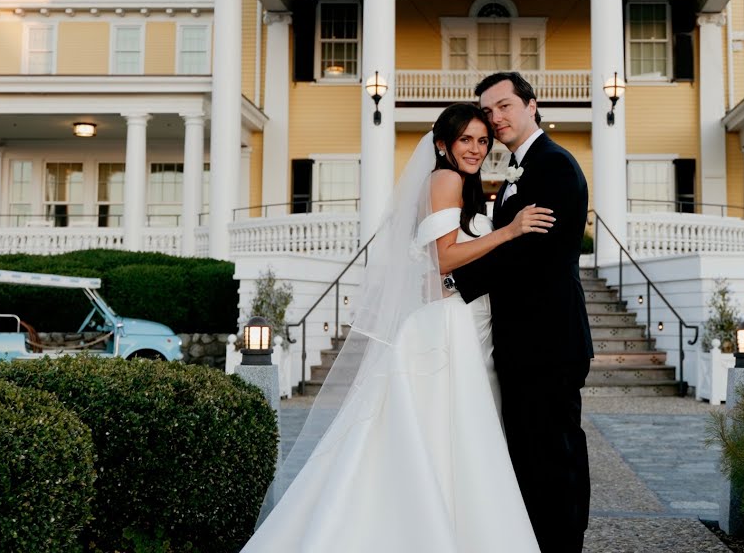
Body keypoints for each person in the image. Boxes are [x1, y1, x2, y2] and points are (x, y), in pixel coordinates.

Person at [241, 102, 553, 553]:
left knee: (445, 431)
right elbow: (443, 257)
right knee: (447, 429)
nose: (476, 149)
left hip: (462, 320)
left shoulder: (459, 185)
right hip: (445, 329)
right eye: (465, 139)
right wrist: (509, 232)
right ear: (443, 144)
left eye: (483, 141)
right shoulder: (445, 179)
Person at [450, 71, 593, 553]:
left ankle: (562, 544)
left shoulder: (552, 165)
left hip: (548, 339)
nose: (496, 118)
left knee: (555, 454)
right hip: (521, 341)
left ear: (532, 106)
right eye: (488, 111)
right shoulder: (518, 169)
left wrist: (456, 282)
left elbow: (533, 251)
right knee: (531, 454)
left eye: (505, 106)